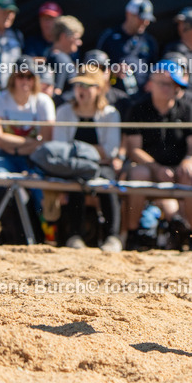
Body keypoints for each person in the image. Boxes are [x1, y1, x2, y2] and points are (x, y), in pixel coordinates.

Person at [122, 60, 192, 251]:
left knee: (190, 174)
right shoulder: (138, 109)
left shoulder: (188, 109)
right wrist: (156, 168)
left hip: (178, 167)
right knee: (139, 174)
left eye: (175, 85)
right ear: (152, 83)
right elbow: (134, 150)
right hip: (149, 167)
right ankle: (132, 235)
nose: (171, 89)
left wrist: (188, 160)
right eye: (166, 84)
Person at [0, 57, 55, 244]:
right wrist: (30, 142)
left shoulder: (43, 101)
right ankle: (13, 236)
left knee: (41, 192)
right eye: (21, 76)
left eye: (29, 77)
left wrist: (13, 143)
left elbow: (46, 140)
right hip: (5, 156)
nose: (25, 81)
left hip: (35, 158)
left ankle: (45, 238)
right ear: (13, 78)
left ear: (35, 80)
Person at [52, 69, 122, 252]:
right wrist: (94, 151)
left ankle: (112, 236)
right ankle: (74, 235)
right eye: (78, 85)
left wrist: (77, 149)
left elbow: (110, 151)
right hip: (73, 166)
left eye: (87, 86)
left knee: (107, 183)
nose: (81, 90)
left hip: (100, 166)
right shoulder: (64, 111)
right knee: (77, 181)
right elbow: (60, 147)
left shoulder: (110, 114)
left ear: (98, 89)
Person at [96, 0, 159, 94]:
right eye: (141, 18)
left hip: (143, 95)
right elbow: (95, 67)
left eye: (147, 19)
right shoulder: (109, 37)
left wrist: (153, 82)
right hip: (114, 93)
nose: (145, 22)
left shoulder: (150, 41)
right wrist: (113, 71)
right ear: (129, 14)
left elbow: (156, 67)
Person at [45, 15, 84, 102]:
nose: (79, 42)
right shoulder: (60, 59)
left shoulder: (54, 56)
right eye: (76, 38)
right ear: (64, 36)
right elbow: (56, 92)